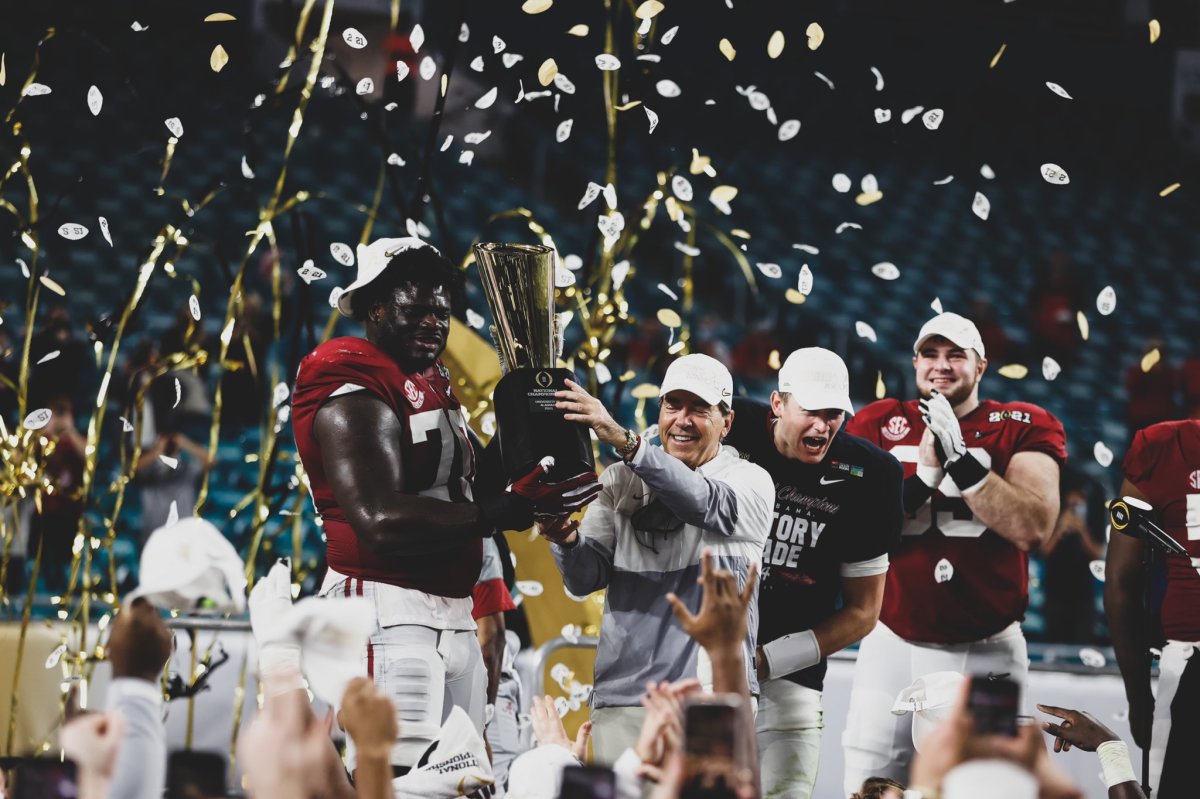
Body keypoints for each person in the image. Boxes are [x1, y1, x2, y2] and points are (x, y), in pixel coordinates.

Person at [290, 236, 597, 772]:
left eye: (442, 311)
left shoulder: (430, 382)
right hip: (387, 601)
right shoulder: (350, 382)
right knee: (395, 771)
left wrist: (527, 424)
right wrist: (496, 515)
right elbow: (379, 519)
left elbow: (475, 485)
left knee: (466, 773)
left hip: (452, 605)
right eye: (416, 308)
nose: (433, 322)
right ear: (373, 305)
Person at [841, 312, 1066, 792]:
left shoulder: (1023, 424)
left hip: (989, 649)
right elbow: (853, 530)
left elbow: (1032, 527)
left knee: (987, 785)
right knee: (868, 780)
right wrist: (925, 473)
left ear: (980, 366)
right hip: (893, 639)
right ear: (915, 361)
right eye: (930, 354)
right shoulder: (878, 421)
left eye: (955, 355)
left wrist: (961, 461)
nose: (941, 366)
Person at [540, 354, 774, 763]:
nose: (683, 419)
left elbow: (702, 502)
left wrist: (628, 444)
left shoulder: (749, 481)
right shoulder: (619, 479)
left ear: (727, 422)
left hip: (712, 696)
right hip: (624, 697)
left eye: (699, 409)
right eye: (673, 405)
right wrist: (564, 537)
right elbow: (583, 578)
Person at [721, 347, 904, 799]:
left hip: (793, 679)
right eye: (811, 412)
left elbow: (864, 611)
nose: (823, 426)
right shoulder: (728, 424)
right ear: (778, 403)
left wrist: (767, 661)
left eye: (834, 414)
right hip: (701, 664)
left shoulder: (873, 474)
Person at [1106, 420, 1200, 798]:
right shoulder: (1163, 446)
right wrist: (1137, 694)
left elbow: (1119, 587)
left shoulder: (1166, 445)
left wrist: (1138, 695)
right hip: (1189, 665)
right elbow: (1121, 585)